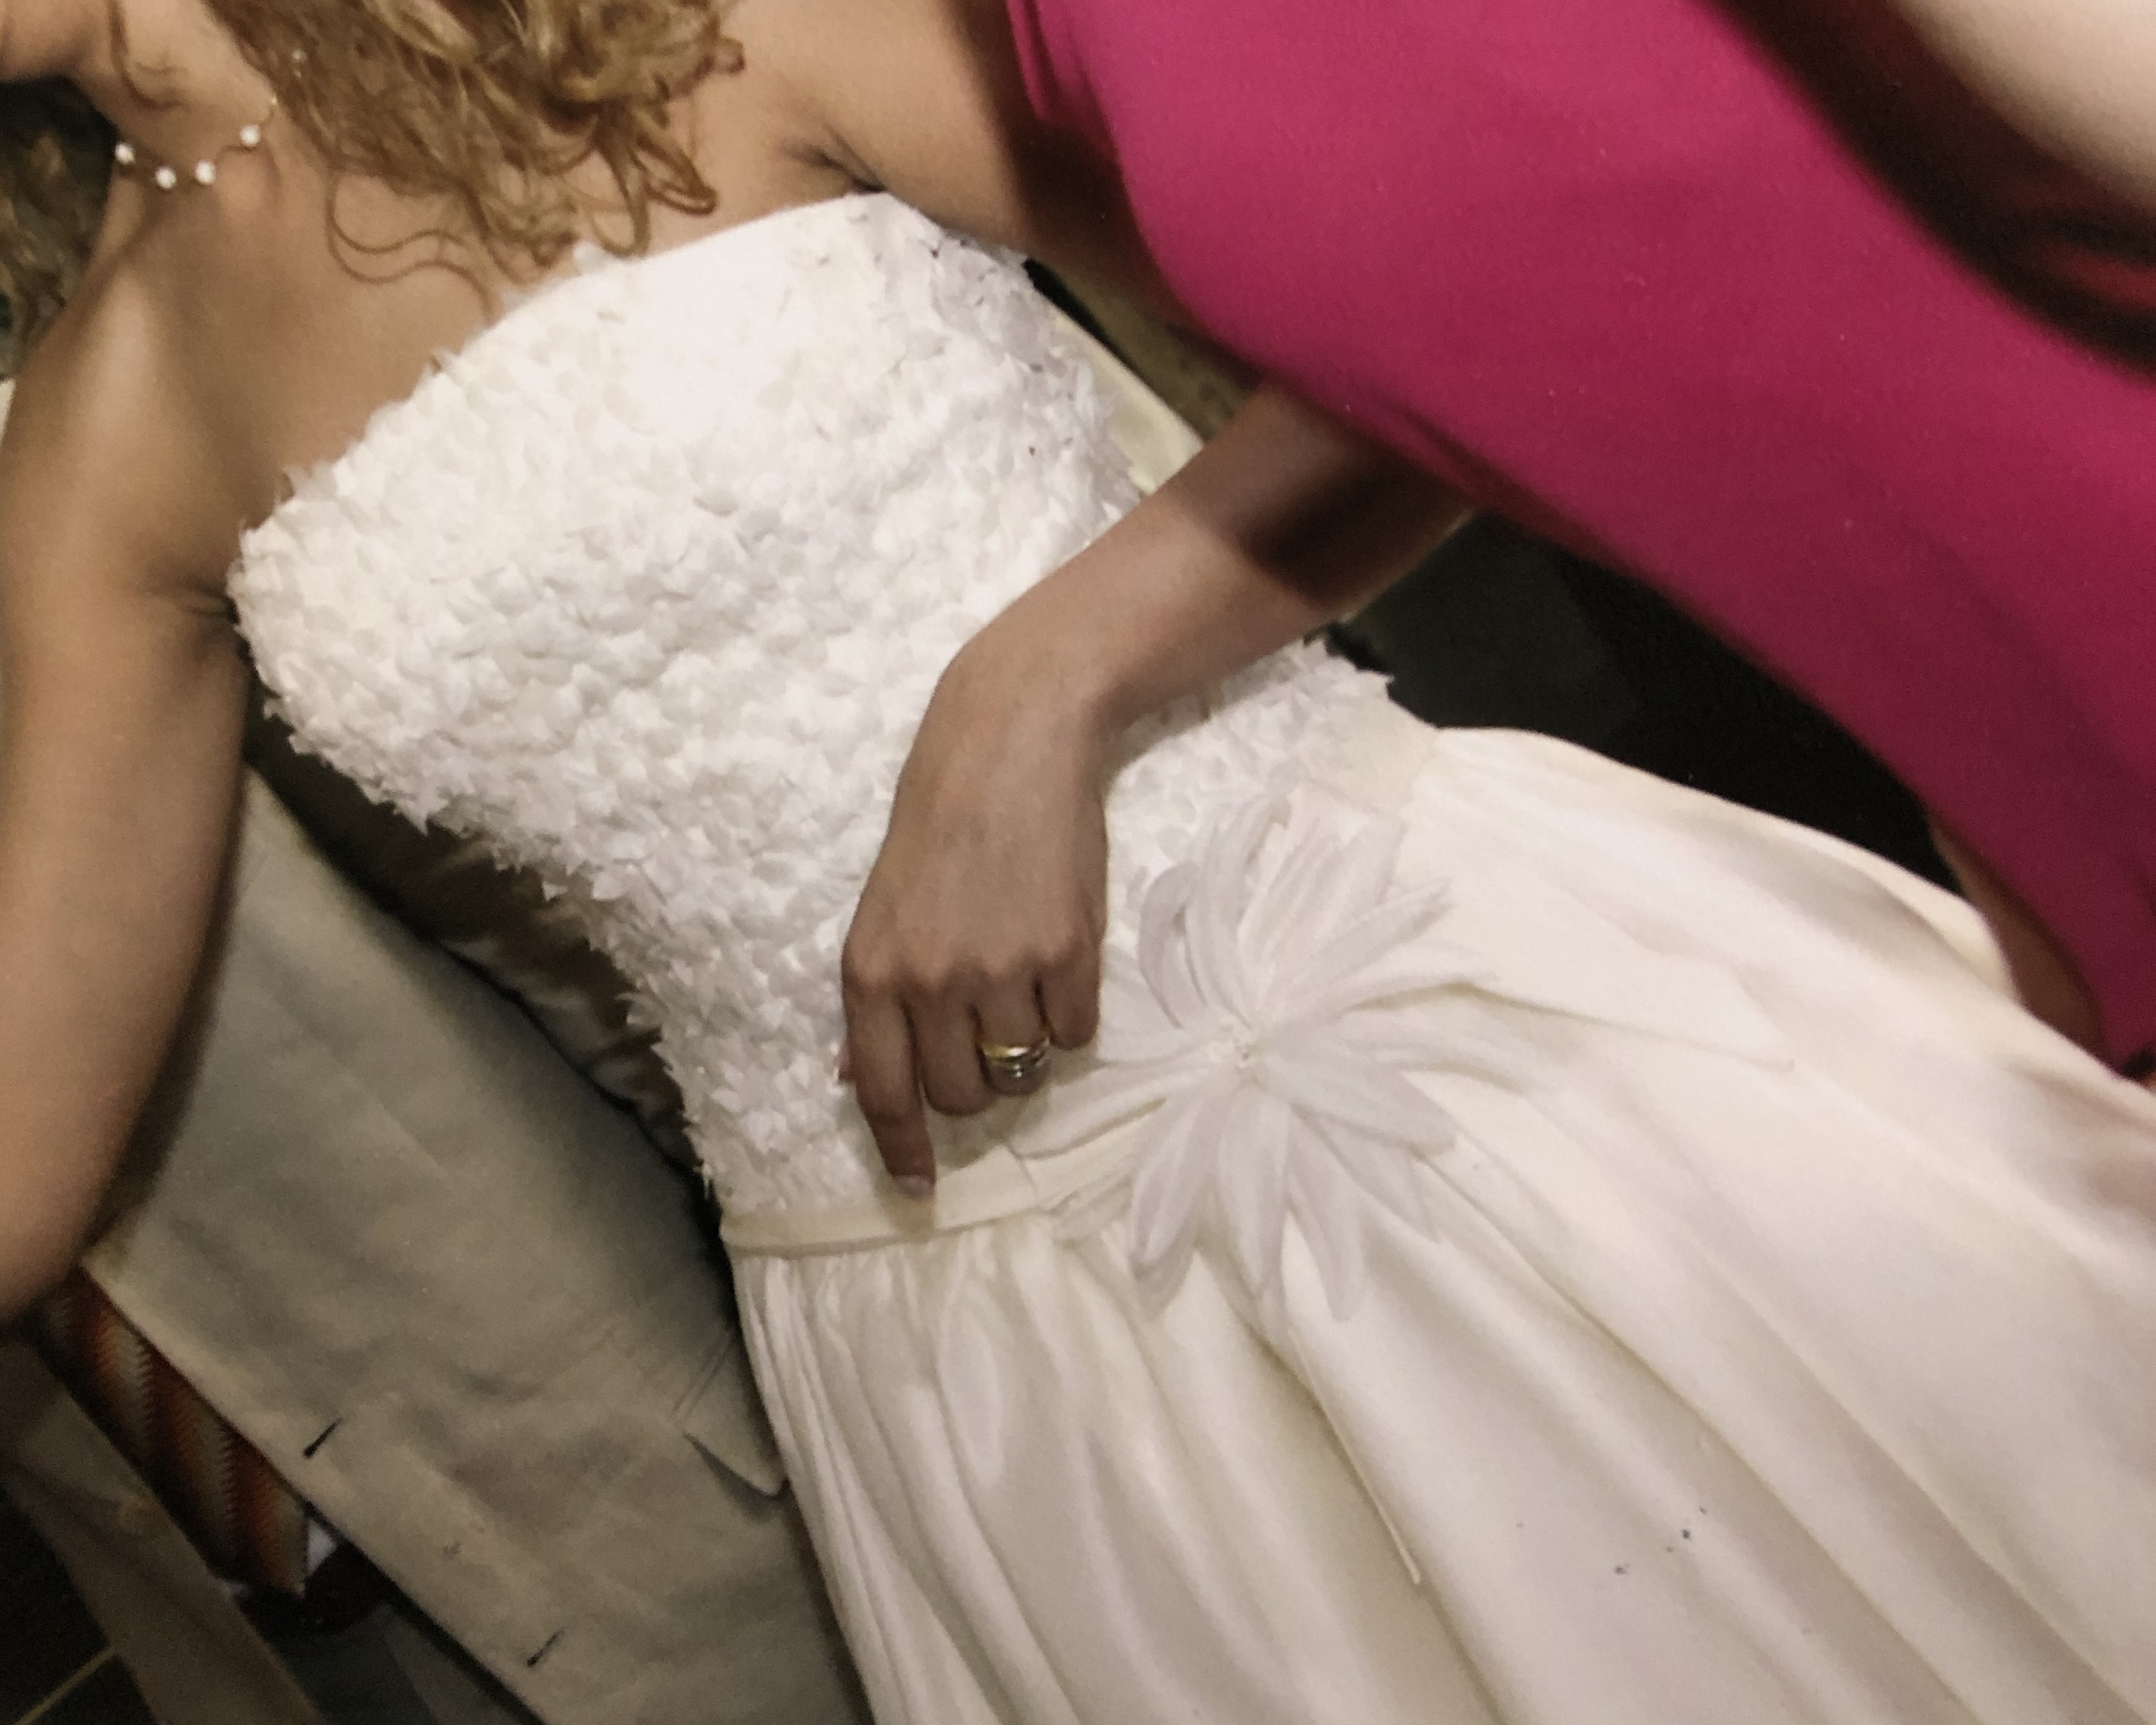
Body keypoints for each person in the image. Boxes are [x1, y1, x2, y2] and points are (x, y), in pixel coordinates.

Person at [2, 4, 2154, 1724]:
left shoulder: (682, 27)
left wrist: (1048, 688)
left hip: (1417, 1056)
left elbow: (1457, 317)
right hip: (970, 1352)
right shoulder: (106, 418)